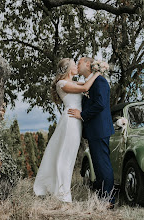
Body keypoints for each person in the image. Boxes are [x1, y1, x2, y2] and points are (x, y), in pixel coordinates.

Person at [33, 58, 100, 203]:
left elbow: (87, 84)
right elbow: (85, 88)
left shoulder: (73, 82)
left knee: (69, 158)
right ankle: (63, 196)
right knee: (65, 157)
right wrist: (98, 72)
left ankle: (61, 192)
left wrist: (95, 74)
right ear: (69, 69)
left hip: (76, 121)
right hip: (70, 121)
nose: (77, 66)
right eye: (74, 65)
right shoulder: (61, 84)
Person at [68, 57, 115, 207]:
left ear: (88, 64)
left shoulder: (100, 81)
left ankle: (108, 199)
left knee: (103, 164)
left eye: (79, 63)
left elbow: (100, 104)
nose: (77, 65)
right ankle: (102, 197)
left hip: (100, 129)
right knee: (98, 165)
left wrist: (82, 115)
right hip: (94, 130)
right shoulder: (90, 82)